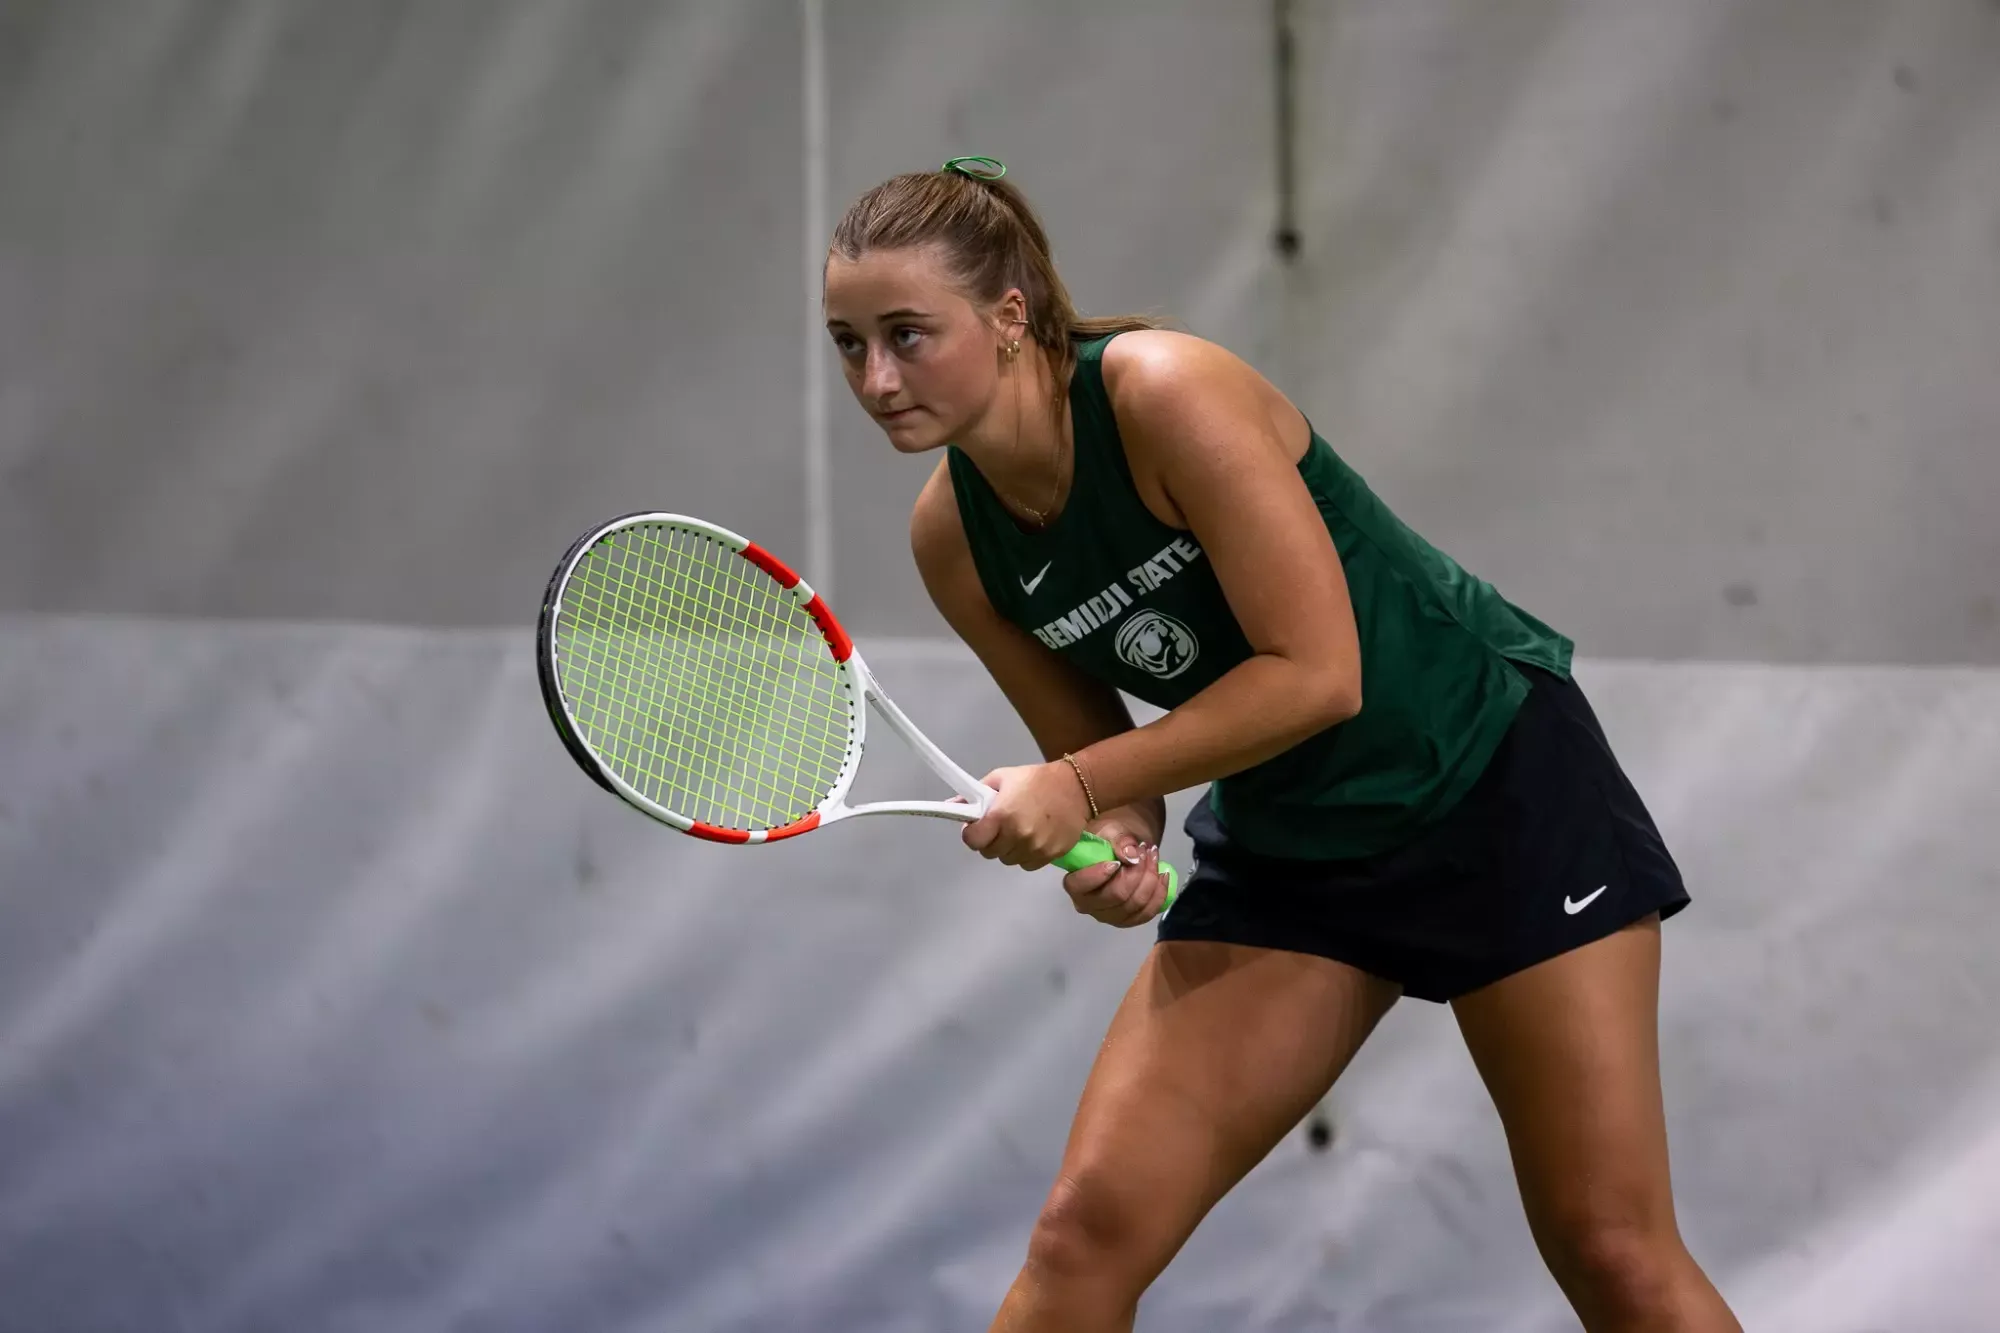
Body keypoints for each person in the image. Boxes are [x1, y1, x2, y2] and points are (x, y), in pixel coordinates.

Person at [820, 156, 1741, 1333]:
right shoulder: (953, 538)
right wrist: (1110, 843)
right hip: (1290, 845)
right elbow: (1101, 759)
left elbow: (1317, 674)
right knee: (1082, 1235)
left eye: (907, 333)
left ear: (1007, 318)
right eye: (849, 344)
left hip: (1496, 790)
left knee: (1610, 1250)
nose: (877, 378)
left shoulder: (1162, 391)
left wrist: (1083, 782)